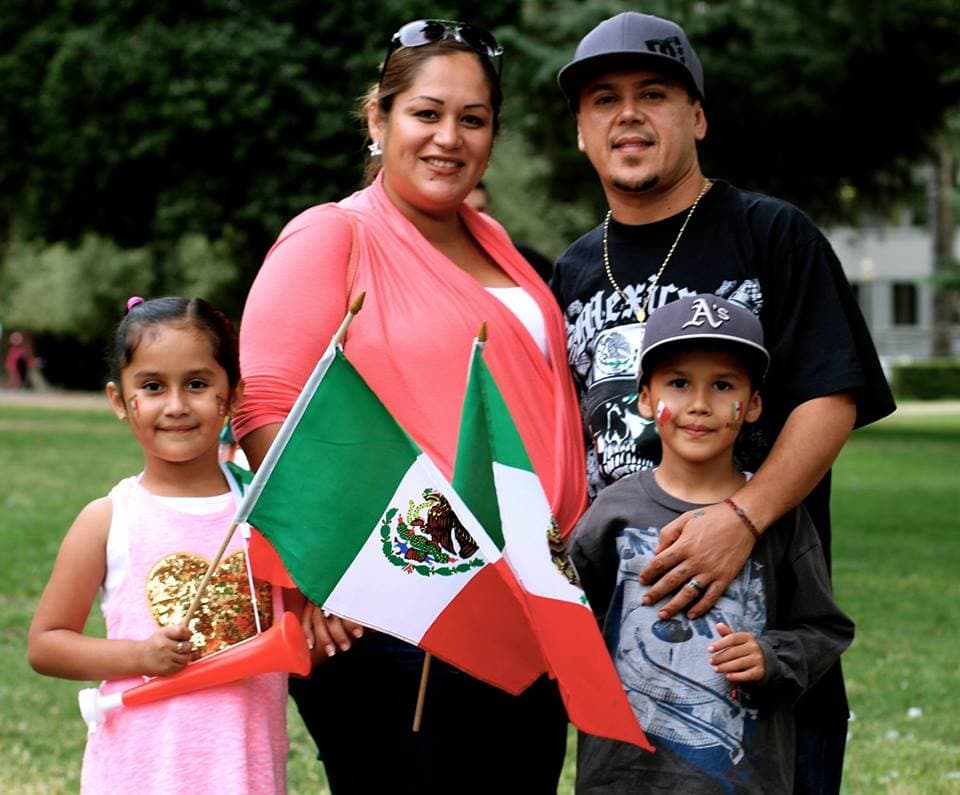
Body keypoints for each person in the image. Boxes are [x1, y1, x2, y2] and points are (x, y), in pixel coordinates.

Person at [234, 19, 587, 794]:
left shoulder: (498, 243)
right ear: (378, 119)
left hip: (529, 602)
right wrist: (322, 565)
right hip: (398, 611)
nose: (448, 138)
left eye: (473, 118)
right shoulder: (332, 236)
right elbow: (266, 404)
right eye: (426, 113)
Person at [551, 12, 895, 792]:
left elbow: (830, 396)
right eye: (603, 99)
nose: (628, 114)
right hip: (626, 648)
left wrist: (741, 521)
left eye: (654, 93)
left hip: (759, 631)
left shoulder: (772, 233)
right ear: (581, 130)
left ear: (697, 116)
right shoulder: (571, 271)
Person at [568, 293, 854, 793]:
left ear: (754, 404)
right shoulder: (612, 511)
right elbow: (568, 622)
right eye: (678, 383)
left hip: (743, 777)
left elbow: (823, 629)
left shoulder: (781, 520)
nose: (699, 405)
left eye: (723, 385)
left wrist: (772, 657)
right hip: (622, 775)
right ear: (645, 398)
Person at [27, 297, 288, 793]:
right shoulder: (108, 520)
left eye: (197, 383)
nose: (175, 405)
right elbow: (46, 645)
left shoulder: (265, 517)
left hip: (243, 774)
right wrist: (139, 657)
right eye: (152, 386)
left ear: (231, 396)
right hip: (137, 773)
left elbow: (294, 636)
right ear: (120, 401)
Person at [465, 180, 555, 281]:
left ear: (489, 210)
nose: (475, 217)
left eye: (480, 209)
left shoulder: (527, 261)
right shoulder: (446, 269)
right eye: (466, 211)